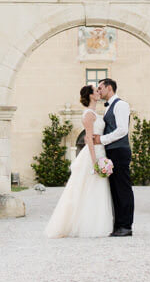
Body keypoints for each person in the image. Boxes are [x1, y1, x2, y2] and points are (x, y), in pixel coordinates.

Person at [44, 85, 114, 238]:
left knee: (97, 188)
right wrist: (95, 161)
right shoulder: (88, 114)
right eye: (96, 91)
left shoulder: (96, 112)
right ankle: (87, 225)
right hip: (93, 154)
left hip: (101, 151)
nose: (99, 92)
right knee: (88, 187)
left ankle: (98, 222)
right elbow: (88, 137)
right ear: (90, 95)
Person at [97, 78, 133, 237]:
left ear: (109, 88)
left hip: (120, 151)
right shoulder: (108, 107)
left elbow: (122, 130)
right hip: (112, 151)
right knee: (115, 190)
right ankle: (118, 225)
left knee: (123, 189)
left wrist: (102, 140)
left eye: (100, 88)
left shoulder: (121, 105)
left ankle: (126, 226)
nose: (98, 91)